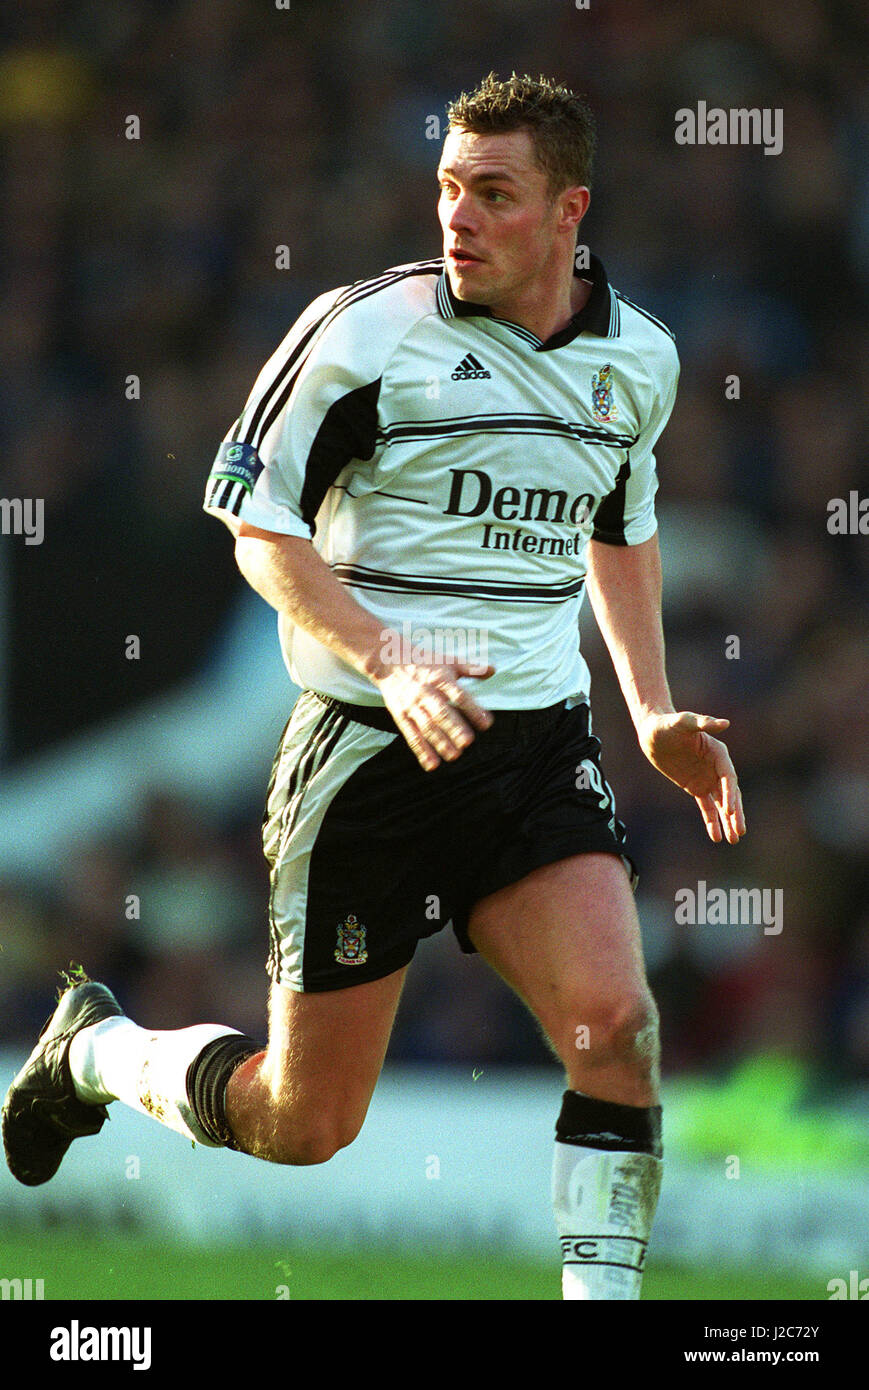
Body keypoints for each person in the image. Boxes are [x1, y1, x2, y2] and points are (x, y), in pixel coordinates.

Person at [2, 73, 744, 1300]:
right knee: (305, 1122)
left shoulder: (640, 360)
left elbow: (620, 519)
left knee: (614, 1031)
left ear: (569, 213)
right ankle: (99, 1047)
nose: (455, 215)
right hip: (365, 751)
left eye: (491, 194)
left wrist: (650, 702)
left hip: (530, 748)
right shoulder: (363, 334)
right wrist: (387, 654)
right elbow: (255, 525)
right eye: (448, 186)